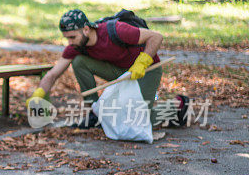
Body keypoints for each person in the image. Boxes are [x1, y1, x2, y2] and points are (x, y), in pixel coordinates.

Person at [27, 9, 186, 128]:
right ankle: (95, 113)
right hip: (121, 73)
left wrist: (142, 62)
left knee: (139, 121)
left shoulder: (116, 30)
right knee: (79, 62)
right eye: (67, 38)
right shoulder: (76, 46)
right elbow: (53, 74)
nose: (69, 42)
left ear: (86, 29)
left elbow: (156, 36)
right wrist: (38, 95)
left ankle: (177, 106)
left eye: (72, 37)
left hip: (147, 70)